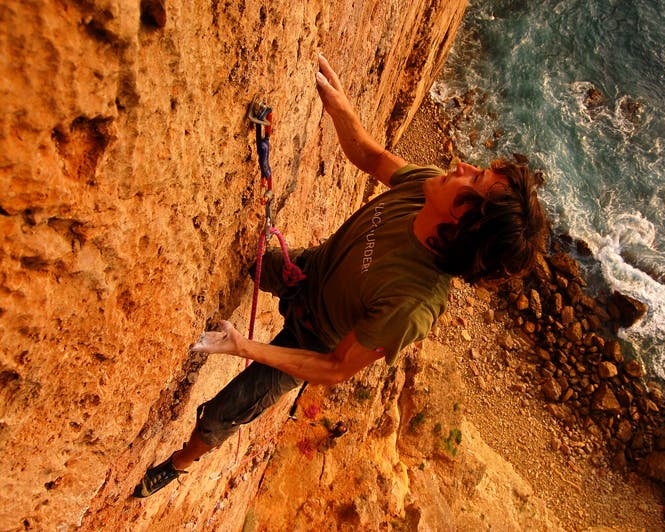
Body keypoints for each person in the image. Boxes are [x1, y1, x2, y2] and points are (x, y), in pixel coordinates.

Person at [133, 53, 549, 498]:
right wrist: (340, 108)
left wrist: (244, 348)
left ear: (463, 225)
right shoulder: (428, 188)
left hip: (313, 341)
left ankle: (179, 464)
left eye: (476, 179)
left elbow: (334, 369)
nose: (463, 166)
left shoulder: (412, 304)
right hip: (311, 270)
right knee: (245, 260)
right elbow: (372, 157)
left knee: (222, 415)